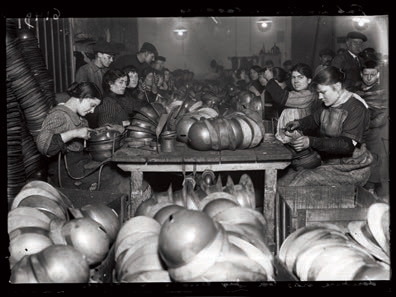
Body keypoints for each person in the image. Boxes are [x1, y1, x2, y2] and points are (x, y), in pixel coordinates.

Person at [278, 66, 372, 187]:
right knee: (284, 178)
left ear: (337, 87)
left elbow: (346, 145)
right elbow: (314, 119)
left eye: (323, 92)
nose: (320, 97)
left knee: (303, 180)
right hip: (329, 162)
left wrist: (311, 141)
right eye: (318, 93)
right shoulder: (328, 104)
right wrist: (299, 123)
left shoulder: (356, 108)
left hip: (352, 167)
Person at [36, 82, 130, 195]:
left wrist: (101, 130)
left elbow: (82, 137)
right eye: (92, 105)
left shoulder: (77, 117)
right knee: (118, 178)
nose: (93, 111)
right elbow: (43, 145)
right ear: (83, 98)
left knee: (116, 171)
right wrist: (75, 133)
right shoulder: (59, 115)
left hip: (79, 167)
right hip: (68, 175)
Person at [355, 60, 389, 200]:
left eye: (372, 75)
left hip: (376, 132)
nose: (369, 78)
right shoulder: (356, 91)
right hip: (358, 133)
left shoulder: (383, 92)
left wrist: (365, 123)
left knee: (376, 160)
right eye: (366, 74)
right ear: (361, 74)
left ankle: (373, 191)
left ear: (378, 74)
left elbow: (383, 116)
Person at [264, 63, 321, 142]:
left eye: (300, 77)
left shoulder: (309, 95)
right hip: (290, 139)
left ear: (309, 80)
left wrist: (270, 80)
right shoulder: (297, 93)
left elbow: (281, 97)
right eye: (293, 77)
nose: (296, 81)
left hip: (301, 142)